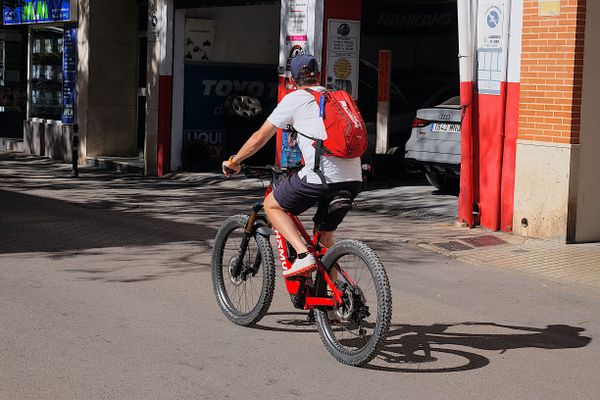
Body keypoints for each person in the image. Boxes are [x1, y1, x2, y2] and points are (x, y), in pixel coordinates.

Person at [222, 54, 363, 278]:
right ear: (317, 75)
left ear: (293, 79)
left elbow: (259, 138)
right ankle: (334, 308)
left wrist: (234, 161)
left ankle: (302, 254)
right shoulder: (336, 98)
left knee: (272, 205)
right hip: (353, 179)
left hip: (321, 177)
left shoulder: (295, 98)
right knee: (325, 240)